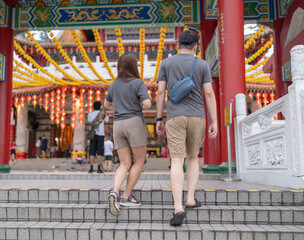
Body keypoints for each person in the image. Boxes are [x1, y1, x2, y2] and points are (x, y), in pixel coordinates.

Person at [156, 30, 218, 226]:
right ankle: (190, 198)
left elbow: (160, 91)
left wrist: (159, 118)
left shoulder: (166, 63)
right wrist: (214, 120)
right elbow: (208, 93)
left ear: (177, 44)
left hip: (175, 116)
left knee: (176, 160)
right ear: (196, 46)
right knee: (193, 157)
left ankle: (178, 206)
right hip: (197, 116)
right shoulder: (202, 64)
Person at [104, 53, 151, 216]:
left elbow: (106, 104)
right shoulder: (138, 83)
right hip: (134, 122)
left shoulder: (114, 84)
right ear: (133, 66)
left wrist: (118, 107)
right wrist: (137, 105)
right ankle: (125, 196)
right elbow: (147, 103)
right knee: (138, 161)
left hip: (118, 124)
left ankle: (115, 191)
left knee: (124, 163)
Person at [87, 101, 109, 173]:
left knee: (92, 152)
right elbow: (107, 120)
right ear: (100, 107)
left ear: (93, 107)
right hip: (100, 135)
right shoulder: (102, 114)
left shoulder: (90, 114)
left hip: (93, 134)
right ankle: (99, 168)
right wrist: (104, 111)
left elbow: (89, 120)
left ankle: (91, 168)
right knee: (100, 152)